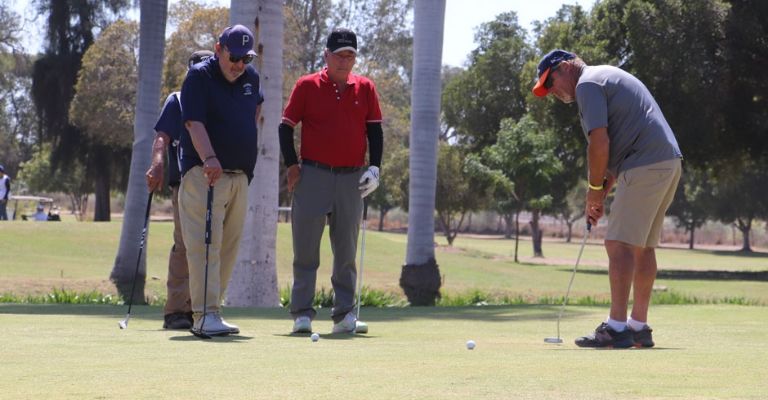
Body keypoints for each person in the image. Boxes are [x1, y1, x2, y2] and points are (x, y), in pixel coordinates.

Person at [533, 50, 683, 348]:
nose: (551, 92)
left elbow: (599, 144)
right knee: (642, 247)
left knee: (618, 244)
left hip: (644, 163)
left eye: (550, 82)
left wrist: (593, 189)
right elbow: (614, 156)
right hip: (667, 162)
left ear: (565, 67)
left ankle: (616, 328)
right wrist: (600, 194)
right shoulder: (605, 76)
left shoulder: (587, 84)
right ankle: (638, 327)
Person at [279, 28, 383, 334]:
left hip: (352, 178)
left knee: (346, 251)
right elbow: (285, 127)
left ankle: (344, 315)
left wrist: (375, 168)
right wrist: (292, 165)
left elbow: (375, 131)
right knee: (306, 249)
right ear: (326, 55)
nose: (343, 61)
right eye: (338, 55)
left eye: (349, 55)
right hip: (313, 175)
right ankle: (302, 314)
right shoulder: (307, 85)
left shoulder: (365, 88)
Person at [178, 25, 263, 337]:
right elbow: (192, 121)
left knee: (228, 247)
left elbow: (255, 110)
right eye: (233, 57)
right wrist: (210, 156)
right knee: (205, 246)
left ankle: (213, 311)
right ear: (218, 49)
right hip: (206, 175)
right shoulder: (199, 76)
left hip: (239, 175)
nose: (239, 65)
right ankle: (203, 315)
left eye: (245, 58)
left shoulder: (251, 78)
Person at [146, 50, 214, 330]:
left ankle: (205, 310)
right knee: (184, 245)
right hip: (184, 182)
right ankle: (176, 310)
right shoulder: (178, 99)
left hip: (218, 181)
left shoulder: (222, 99)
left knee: (213, 247)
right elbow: (162, 137)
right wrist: (157, 164)